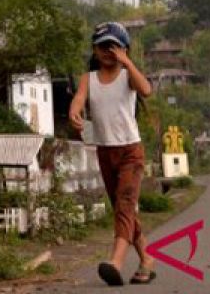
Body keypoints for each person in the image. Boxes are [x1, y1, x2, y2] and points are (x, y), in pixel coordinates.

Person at [69, 22, 156, 286]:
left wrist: (127, 63)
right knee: (123, 208)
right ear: (94, 50)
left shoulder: (127, 75)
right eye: (102, 46)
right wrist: (75, 111)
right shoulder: (89, 79)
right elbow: (79, 97)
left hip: (130, 151)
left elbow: (147, 90)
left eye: (114, 46)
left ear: (124, 49)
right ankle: (147, 260)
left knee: (125, 206)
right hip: (105, 152)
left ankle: (115, 262)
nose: (108, 51)